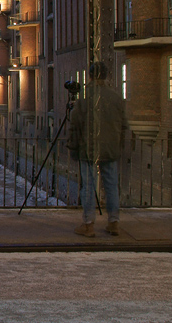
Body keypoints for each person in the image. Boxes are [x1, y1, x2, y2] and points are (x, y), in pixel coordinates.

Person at [67, 61, 129, 238]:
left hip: (89, 150)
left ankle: (88, 224)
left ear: (91, 76)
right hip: (110, 149)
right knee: (111, 185)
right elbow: (124, 125)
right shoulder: (117, 98)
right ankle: (114, 222)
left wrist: (73, 148)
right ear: (107, 76)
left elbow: (75, 126)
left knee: (88, 186)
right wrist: (118, 145)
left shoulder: (86, 99)